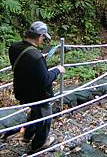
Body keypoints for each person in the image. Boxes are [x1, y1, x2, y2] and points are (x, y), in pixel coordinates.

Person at [7, 21, 65, 153]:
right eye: (44, 38)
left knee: (35, 111)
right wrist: (57, 70)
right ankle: (39, 144)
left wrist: (39, 61)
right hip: (39, 95)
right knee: (45, 117)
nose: (43, 41)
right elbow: (45, 79)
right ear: (40, 36)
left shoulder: (14, 48)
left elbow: (24, 65)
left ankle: (27, 135)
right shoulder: (36, 57)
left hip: (22, 90)